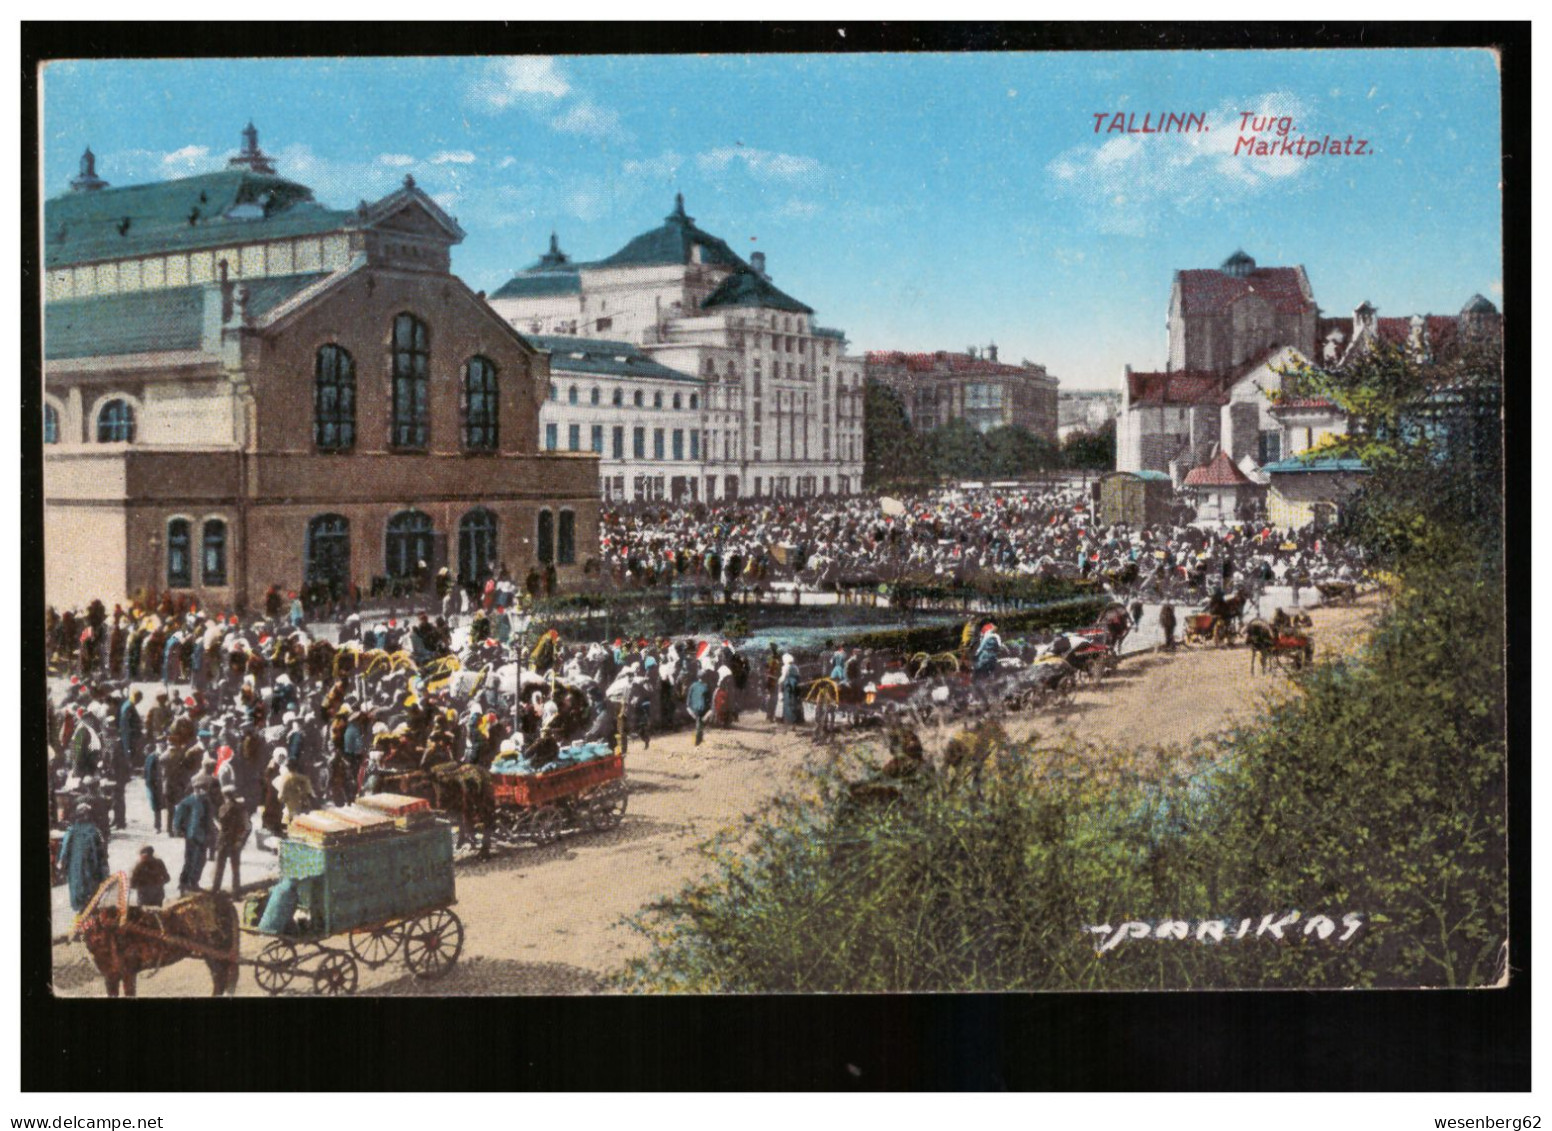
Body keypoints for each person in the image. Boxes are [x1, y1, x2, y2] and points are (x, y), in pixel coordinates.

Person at [59, 803, 107, 914]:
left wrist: (62, 861)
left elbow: (65, 848)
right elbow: (103, 848)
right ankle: (89, 909)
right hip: (89, 863)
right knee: (90, 886)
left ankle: (83, 910)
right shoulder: (95, 830)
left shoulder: (72, 830)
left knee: (79, 886)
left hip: (78, 864)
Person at [170, 785, 212, 894]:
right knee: (190, 860)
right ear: (196, 790)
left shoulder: (206, 801)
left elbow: (209, 819)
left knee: (201, 860)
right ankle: (183, 884)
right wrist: (179, 830)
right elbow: (178, 817)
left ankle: (194, 882)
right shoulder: (187, 802)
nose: (204, 791)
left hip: (203, 835)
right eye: (202, 789)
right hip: (192, 836)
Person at [211, 785, 250, 895]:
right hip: (235, 840)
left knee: (219, 867)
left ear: (225, 795)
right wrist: (241, 841)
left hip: (224, 840)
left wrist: (215, 823)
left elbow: (221, 824)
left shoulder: (223, 808)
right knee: (235, 868)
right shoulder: (241, 808)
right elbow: (247, 827)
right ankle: (236, 891)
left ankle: (215, 890)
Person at [686, 667, 713, 746]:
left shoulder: (692, 686)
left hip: (693, 708)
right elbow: (709, 700)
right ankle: (698, 740)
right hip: (702, 708)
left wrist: (689, 707)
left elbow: (689, 698)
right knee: (700, 722)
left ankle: (699, 738)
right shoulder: (706, 687)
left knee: (699, 722)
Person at [779, 654, 803, 726]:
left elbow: (783, 678)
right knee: (795, 702)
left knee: (788, 702)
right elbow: (798, 676)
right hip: (795, 685)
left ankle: (789, 720)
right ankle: (796, 720)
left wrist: (779, 682)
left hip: (788, 685)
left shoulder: (785, 667)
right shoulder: (796, 667)